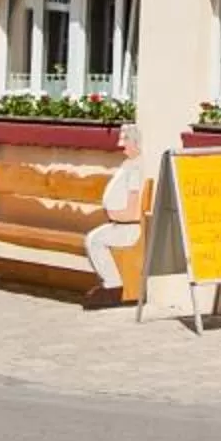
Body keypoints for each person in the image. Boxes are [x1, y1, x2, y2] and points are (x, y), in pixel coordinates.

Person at [81, 122, 149, 310]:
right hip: (120, 224)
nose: (121, 144)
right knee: (93, 238)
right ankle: (112, 285)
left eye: (125, 139)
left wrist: (116, 214)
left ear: (136, 141)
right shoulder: (129, 164)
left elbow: (134, 208)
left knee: (95, 240)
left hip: (129, 228)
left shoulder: (136, 168)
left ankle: (113, 286)